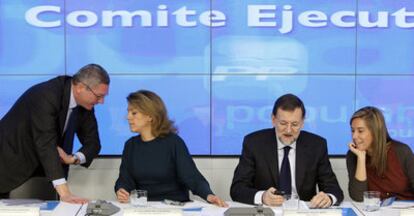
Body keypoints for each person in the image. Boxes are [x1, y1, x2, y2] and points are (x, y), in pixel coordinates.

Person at [0, 64, 110, 203]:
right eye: (99, 96)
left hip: (45, 170)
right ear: (81, 87)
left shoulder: (86, 104)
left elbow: (93, 143)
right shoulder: (46, 95)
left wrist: (73, 158)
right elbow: (46, 143)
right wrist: (65, 193)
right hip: (9, 162)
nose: (102, 101)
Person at [114, 90, 227, 207]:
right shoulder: (130, 145)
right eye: (128, 112)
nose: (128, 117)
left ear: (150, 116)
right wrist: (121, 189)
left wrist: (209, 195)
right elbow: (125, 179)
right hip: (143, 209)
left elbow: (192, 177)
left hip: (174, 207)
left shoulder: (173, 143)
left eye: (134, 113)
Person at [230, 93, 343, 208]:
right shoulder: (254, 143)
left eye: (295, 124)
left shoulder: (316, 145)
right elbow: (237, 188)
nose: (288, 130)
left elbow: (333, 188)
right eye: (283, 123)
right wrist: (263, 197)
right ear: (273, 120)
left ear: (302, 122)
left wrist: (328, 198)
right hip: (267, 212)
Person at [346, 106, 414, 201]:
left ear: (375, 131)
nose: (354, 136)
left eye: (360, 131)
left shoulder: (402, 151)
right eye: (352, 130)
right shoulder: (353, 155)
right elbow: (358, 197)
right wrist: (361, 159)